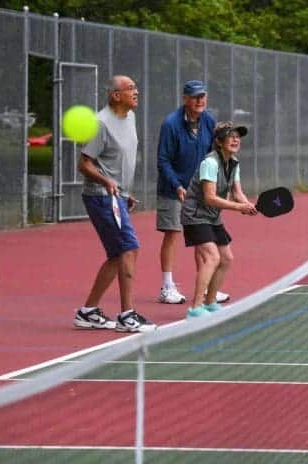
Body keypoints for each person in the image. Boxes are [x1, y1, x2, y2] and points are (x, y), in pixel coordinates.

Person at [73, 75, 156, 333]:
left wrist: (123, 191)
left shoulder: (129, 117)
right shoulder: (100, 124)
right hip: (100, 196)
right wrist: (107, 182)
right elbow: (84, 163)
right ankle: (127, 315)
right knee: (129, 249)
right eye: (130, 88)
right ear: (115, 95)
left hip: (115, 195)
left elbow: (117, 161)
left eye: (136, 86)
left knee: (116, 255)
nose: (136, 91)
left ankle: (87, 312)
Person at [156, 80, 230, 305]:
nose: (200, 101)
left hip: (199, 190)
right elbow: (163, 159)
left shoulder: (208, 120)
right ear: (185, 99)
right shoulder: (171, 124)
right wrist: (178, 186)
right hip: (173, 189)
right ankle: (167, 286)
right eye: (195, 97)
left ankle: (207, 286)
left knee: (202, 236)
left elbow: (213, 152)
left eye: (203, 96)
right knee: (173, 233)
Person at [180, 121, 258, 318]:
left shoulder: (233, 163)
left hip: (212, 217)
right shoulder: (210, 163)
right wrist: (238, 207)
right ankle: (195, 308)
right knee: (212, 257)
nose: (235, 139)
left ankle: (210, 302)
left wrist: (247, 204)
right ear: (218, 141)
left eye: (237, 136)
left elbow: (237, 192)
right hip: (195, 214)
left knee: (226, 258)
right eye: (230, 136)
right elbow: (209, 197)